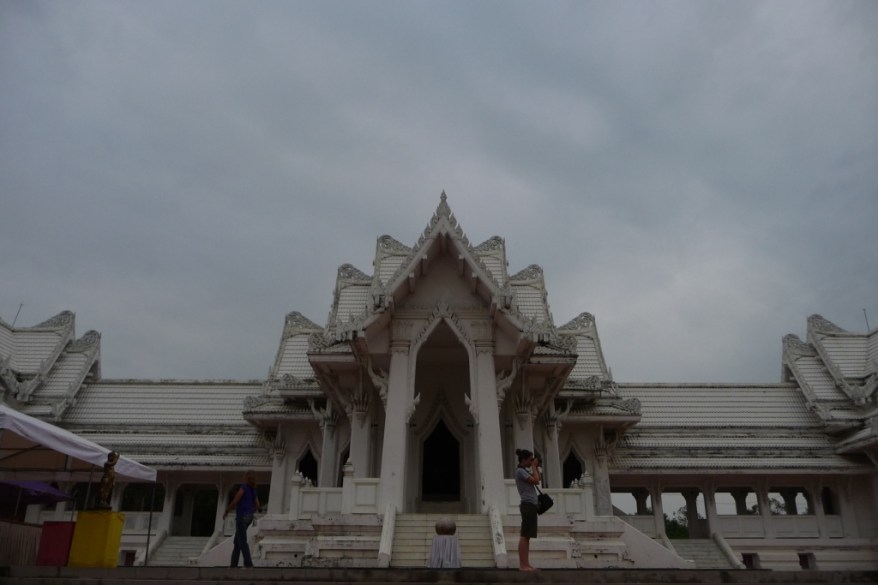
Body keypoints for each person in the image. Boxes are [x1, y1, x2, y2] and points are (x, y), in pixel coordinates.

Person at [223, 470, 260, 568]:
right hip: (249, 517)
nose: (242, 478)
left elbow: (235, 501)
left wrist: (227, 510)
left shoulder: (243, 488)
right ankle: (233, 564)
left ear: (246, 478)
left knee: (242, 540)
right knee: (237, 541)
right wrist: (250, 511)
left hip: (241, 516)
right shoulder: (253, 490)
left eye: (244, 477)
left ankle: (248, 564)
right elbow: (257, 505)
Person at [514, 448, 541, 571]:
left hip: (530, 505)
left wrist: (535, 467)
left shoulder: (524, 471)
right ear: (523, 459)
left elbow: (537, 480)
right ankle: (523, 565)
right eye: (530, 460)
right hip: (527, 505)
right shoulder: (520, 471)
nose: (531, 462)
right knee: (525, 535)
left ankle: (526, 563)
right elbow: (535, 481)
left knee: (527, 535)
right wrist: (534, 467)